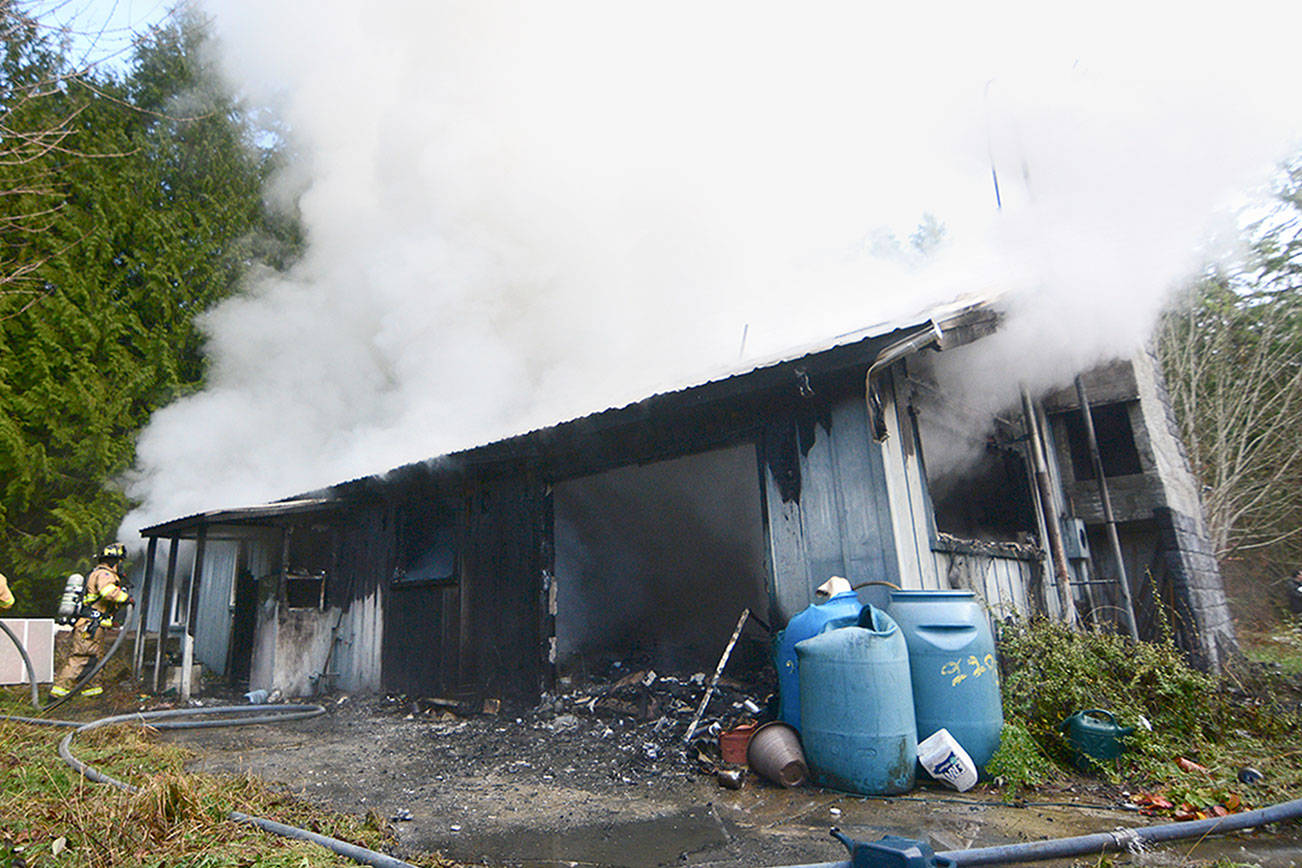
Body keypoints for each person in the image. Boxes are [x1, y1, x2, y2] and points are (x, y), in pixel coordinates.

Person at [51, 543, 132, 699]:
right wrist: (125, 597)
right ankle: (57, 695)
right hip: (89, 626)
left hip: (94, 626)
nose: (121, 566)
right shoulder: (105, 575)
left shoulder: (98, 573)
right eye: (120, 562)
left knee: (96, 660)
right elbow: (107, 592)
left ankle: (92, 694)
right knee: (80, 659)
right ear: (113, 561)